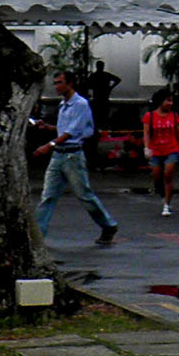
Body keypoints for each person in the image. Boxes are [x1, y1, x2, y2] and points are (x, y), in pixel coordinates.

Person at [36, 70, 117, 245]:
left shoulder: (80, 104)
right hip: (59, 155)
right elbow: (62, 129)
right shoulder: (63, 105)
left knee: (84, 195)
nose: (57, 86)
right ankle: (37, 236)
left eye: (60, 82)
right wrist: (48, 127)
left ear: (70, 83)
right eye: (55, 83)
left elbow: (71, 132)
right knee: (47, 196)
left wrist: (48, 145)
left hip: (72, 155)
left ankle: (108, 225)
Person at [142, 88, 179, 216]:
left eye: (171, 101)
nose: (170, 103)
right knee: (157, 177)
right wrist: (147, 147)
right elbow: (147, 133)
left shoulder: (174, 116)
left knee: (168, 175)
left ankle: (167, 204)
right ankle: (162, 193)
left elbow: (178, 133)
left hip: (171, 149)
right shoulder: (150, 116)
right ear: (160, 101)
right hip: (156, 150)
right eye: (168, 100)